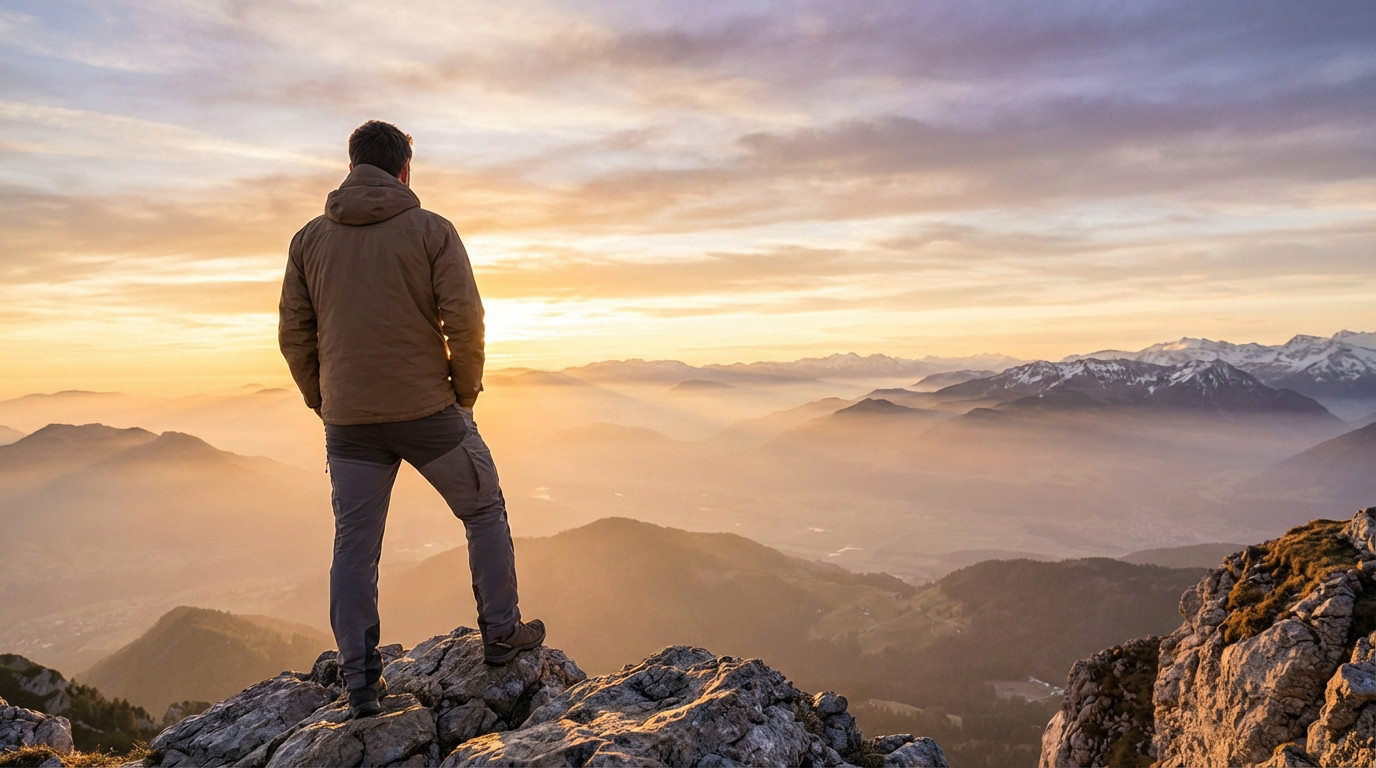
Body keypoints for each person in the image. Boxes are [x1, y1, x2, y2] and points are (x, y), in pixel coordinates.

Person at [278, 120, 544, 719]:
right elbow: (465, 320)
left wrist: (323, 399)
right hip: (429, 411)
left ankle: (360, 682)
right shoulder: (432, 232)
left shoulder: (308, 241)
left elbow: (294, 333)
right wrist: (464, 394)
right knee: (483, 508)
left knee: (354, 546)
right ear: (405, 171)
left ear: (350, 167)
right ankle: (501, 634)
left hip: (348, 423)